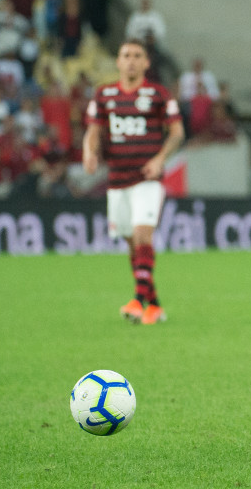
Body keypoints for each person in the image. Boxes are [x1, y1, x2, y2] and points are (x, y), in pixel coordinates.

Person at [82, 40, 184, 325]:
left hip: (147, 180)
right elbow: (93, 131)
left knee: (143, 235)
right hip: (116, 182)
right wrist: (88, 152)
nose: (131, 61)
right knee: (133, 246)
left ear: (146, 63)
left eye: (137, 56)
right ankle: (155, 304)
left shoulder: (157, 94)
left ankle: (137, 301)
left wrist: (160, 158)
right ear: (117, 61)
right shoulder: (104, 94)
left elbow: (176, 132)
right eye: (126, 55)